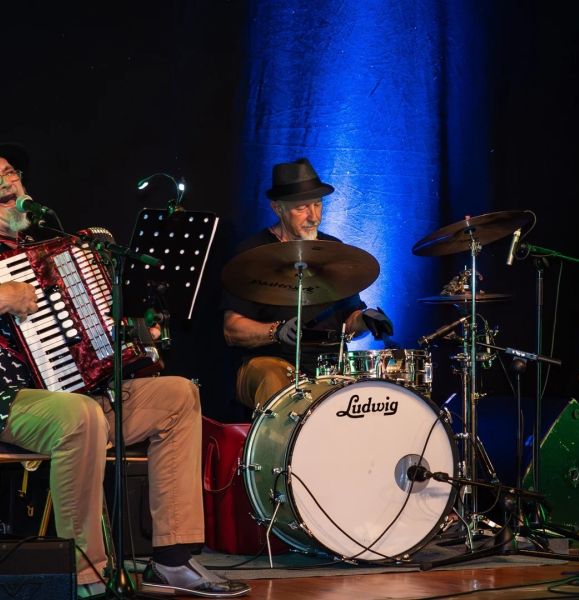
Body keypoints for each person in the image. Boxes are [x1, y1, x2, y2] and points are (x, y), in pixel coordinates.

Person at [0, 143, 250, 598]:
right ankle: (86, 573)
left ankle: (172, 560)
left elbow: (77, 335)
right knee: (80, 416)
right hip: (9, 403)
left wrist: (116, 334)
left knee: (177, 394)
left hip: (69, 396)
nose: (9, 182)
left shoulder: (43, 247)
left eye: (12, 172)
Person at [223, 158, 393, 410]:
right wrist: (277, 331)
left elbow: (348, 320)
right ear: (277, 208)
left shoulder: (334, 251)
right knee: (276, 381)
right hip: (269, 362)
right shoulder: (252, 253)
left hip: (329, 366)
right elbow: (232, 330)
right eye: (302, 207)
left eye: (318, 204)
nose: (313, 217)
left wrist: (366, 319)